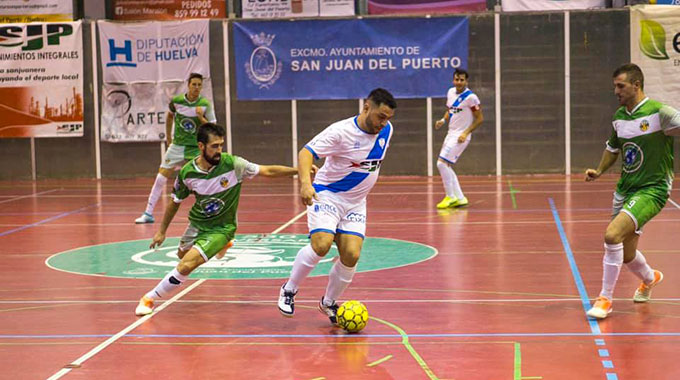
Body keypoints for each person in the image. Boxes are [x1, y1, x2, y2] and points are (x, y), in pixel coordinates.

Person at [135, 123, 301, 316]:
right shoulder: (188, 173)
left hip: (222, 227)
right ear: (200, 146)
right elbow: (175, 202)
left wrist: (299, 171)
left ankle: (149, 298)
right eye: (214, 146)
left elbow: (267, 171)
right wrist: (162, 231)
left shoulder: (233, 164)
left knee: (186, 265)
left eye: (221, 145)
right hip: (197, 224)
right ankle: (222, 246)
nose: (219, 151)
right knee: (182, 255)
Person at [277, 88, 397, 324]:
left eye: (388, 118)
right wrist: (304, 184)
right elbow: (306, 153)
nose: (384, 123)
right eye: (380, 116)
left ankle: (328, 303)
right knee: (321, 244)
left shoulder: (387, 131)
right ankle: (289, 289)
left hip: (355, 204)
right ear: (366, 108)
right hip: (328, 195)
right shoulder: (340, 132)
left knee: (351, 254)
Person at [585, 63, 679, 319]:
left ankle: (605, 299)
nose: (615, 90)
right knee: (626, 254)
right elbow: (612, 148)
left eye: (620, 86)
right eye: (615, 85)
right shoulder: (619, 117)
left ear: (636, 85)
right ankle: (651, 278)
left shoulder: (660, 112)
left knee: (612, 236)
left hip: (653, 189)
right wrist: (600, 170)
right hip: (625, 190)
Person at [135, 72, 216, 224]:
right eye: (194, 84)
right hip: (178, 145)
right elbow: (169, 117)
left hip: (196, 147)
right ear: (188, 85)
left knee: (204, 179)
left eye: (199, 85)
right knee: (160, 178)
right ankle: (148, 213)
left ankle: (210, 213)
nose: (196, 88)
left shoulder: (205, 104)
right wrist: (168, 137)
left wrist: (200, 118)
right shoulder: (177, 101)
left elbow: (213, 128)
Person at [434, 68, 483, 209]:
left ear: (466, 81)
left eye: (462, 80)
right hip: (450, 133)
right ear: (453, 80)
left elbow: (480, 119)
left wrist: (465, 133)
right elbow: (450, 110)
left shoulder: (471, 98)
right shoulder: (450, 92)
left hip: (461, 136)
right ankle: (460, 198)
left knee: (441, 164)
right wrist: (443, 120)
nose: (459, 82)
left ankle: (450, 197)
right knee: (446, 165)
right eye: (457, 79)